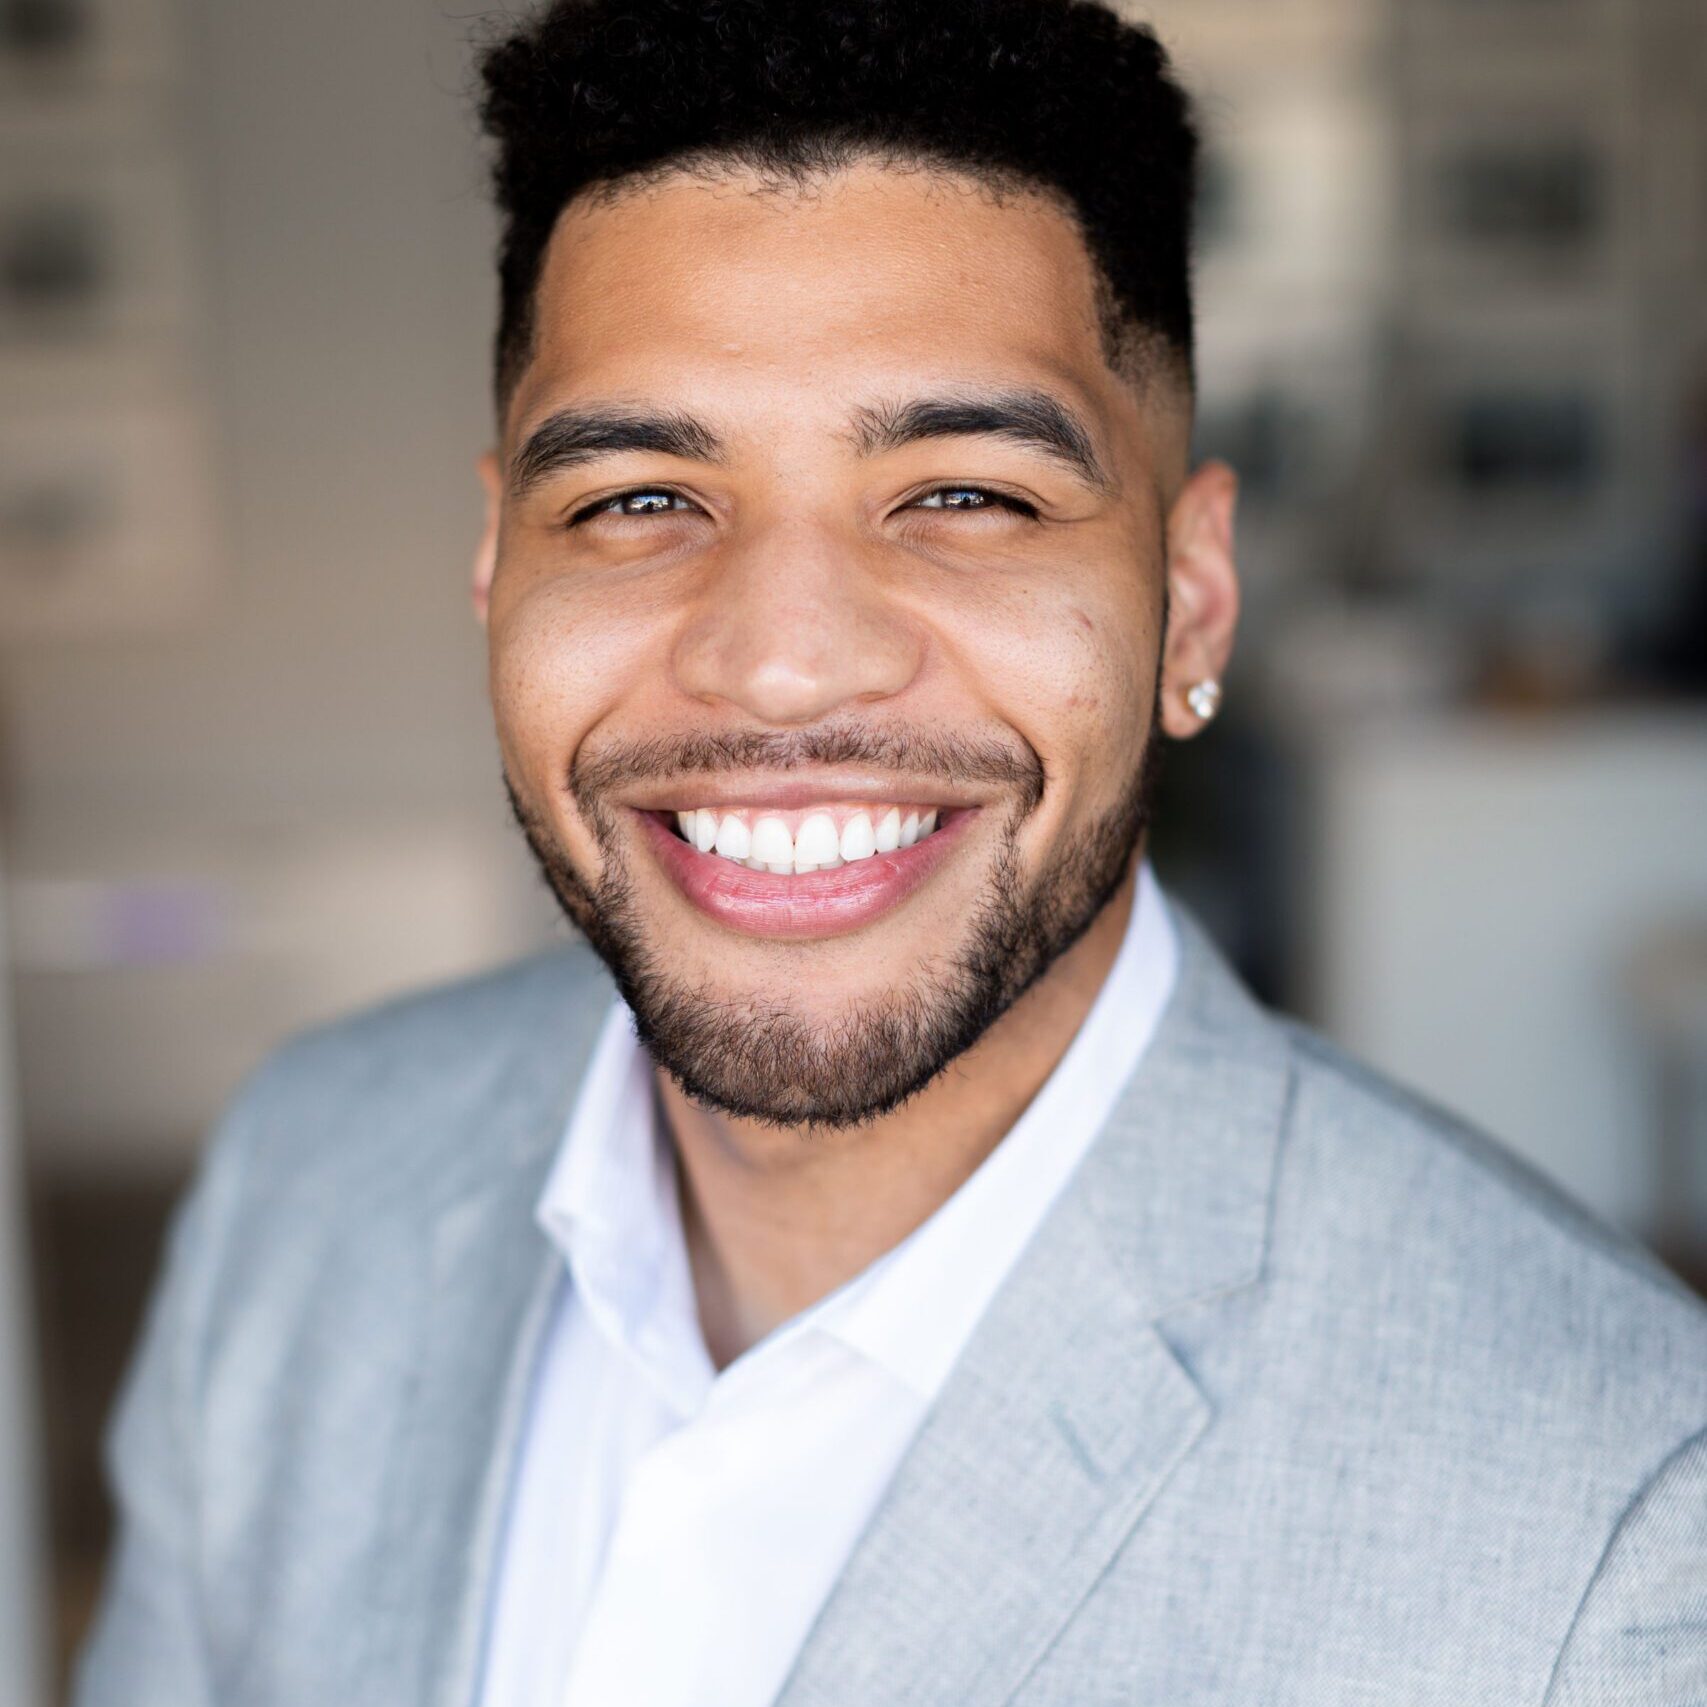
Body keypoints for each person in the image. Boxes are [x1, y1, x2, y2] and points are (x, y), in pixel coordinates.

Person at [74, 1, 1707, 1702]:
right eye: (636, 499)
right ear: (497, 567)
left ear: (1192, 601)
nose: (782, 663)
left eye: (967, 496)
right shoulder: (306, 1174)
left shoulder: (1617, 1537)